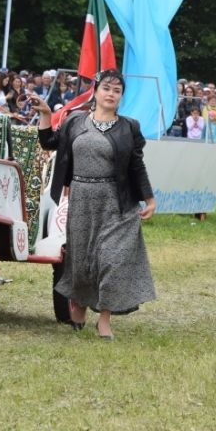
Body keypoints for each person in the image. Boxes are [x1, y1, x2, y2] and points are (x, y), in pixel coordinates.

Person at [33, 69, 156, 340]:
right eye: (106, 89)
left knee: (111, 258)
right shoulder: (75, 121)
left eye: (117, 91)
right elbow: (48, 142)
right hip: (82, 197)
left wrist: (149, 198)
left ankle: (105, 318)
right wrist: (44, 115)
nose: (111, 94)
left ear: (121, 96)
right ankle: (78, 302)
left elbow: (136, 165)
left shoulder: (129, 127)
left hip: (117, 201)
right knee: (82, 259)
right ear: (95, 92)